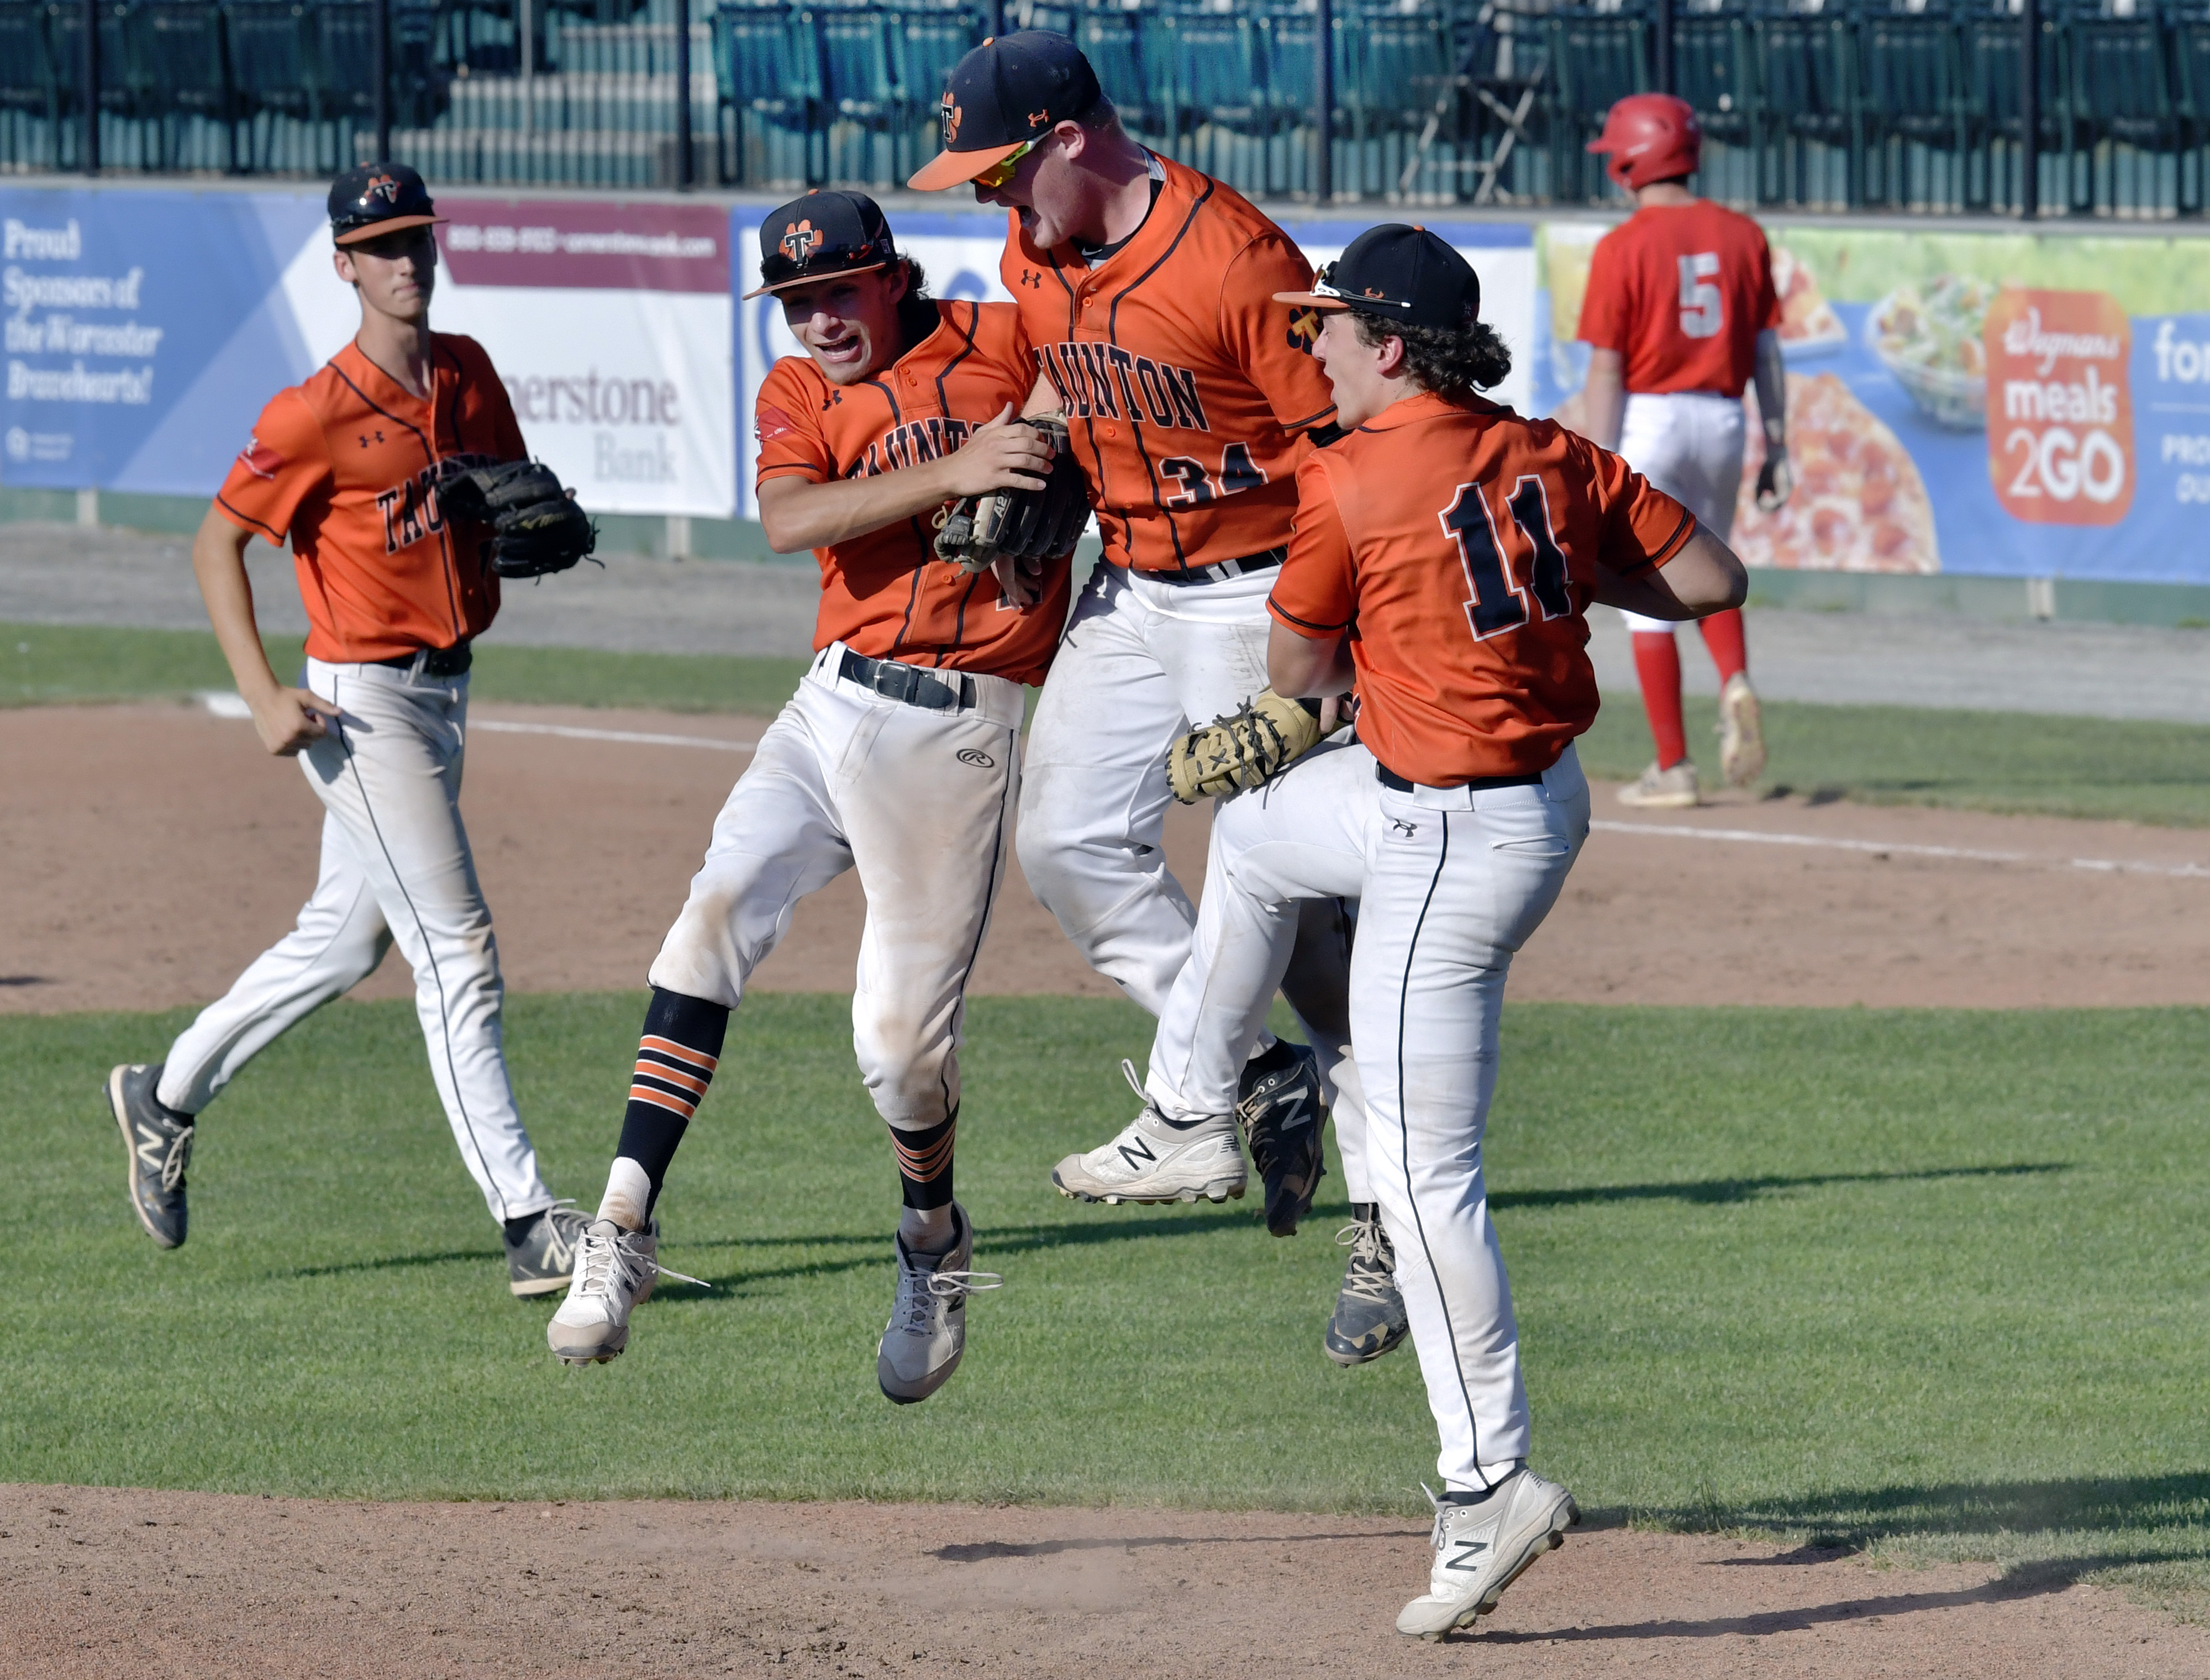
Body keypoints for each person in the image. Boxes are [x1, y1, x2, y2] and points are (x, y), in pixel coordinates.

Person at [1152, 225, 1745, 1635]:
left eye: (1331, 329)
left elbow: (1295, 675)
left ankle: (1488, 1486)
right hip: (1533, 801)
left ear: (1391, 344)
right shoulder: (1550, 450)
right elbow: (1713, 583)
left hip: (1448, 840)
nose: (1313, 346)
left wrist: (1423, 624)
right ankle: (1183, 1108)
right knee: (1251, 837)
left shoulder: (1348, 476)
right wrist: (1558, 574)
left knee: (1424, 1185)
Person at [546, 192, 1071, 1405]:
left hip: (958, 726)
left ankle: (930, 1238)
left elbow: (1089, 373)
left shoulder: (1003, 338)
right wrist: (960, 463)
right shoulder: (797, 394)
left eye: (837, 291)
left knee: (897, 1056)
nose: (816, 320)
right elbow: (791, 518)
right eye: (793, 301)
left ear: (893, 277)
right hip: (830, 700)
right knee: (709, 916)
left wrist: (1040, 434)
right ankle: (622, 1226)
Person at [101, 164, 590, 1297]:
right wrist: (264, 694)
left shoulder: (466, 372)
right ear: (343, 266)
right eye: (379, 246)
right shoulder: (312, 412)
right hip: (359, 705)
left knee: (342, 942)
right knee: (455, 952)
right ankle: (526, 1223)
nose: (404, 262)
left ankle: (163, 1094)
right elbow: (216, 543)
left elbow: (519, 497)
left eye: (416, 238)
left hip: (446, 692)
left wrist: (542, 520)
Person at [908, 30, 1354, 1242]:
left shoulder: (1235, 261)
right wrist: (1034, 450)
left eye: (1000, 170)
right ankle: (1255, 1074)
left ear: (1069, 140)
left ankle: (1215, 1113)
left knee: (1280, 889)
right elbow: (1065, 368)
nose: (993, 200)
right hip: (1127, 581)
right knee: (1062, 841)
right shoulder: (1036, 237)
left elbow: (1341, 455)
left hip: (1251, 593)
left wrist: (1318, 646)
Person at [1576, 93, 1788, 809]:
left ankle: (1674, 764)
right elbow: (1767, 353)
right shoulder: (1742, 235)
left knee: (1649, 596)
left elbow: (1608, 370)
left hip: (1653, 420)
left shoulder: (1623, 245)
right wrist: (1779, 441)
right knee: (1713, 561)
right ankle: (1734, 678)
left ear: (1637, 155)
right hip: (1725, 418)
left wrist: (1596, 458)